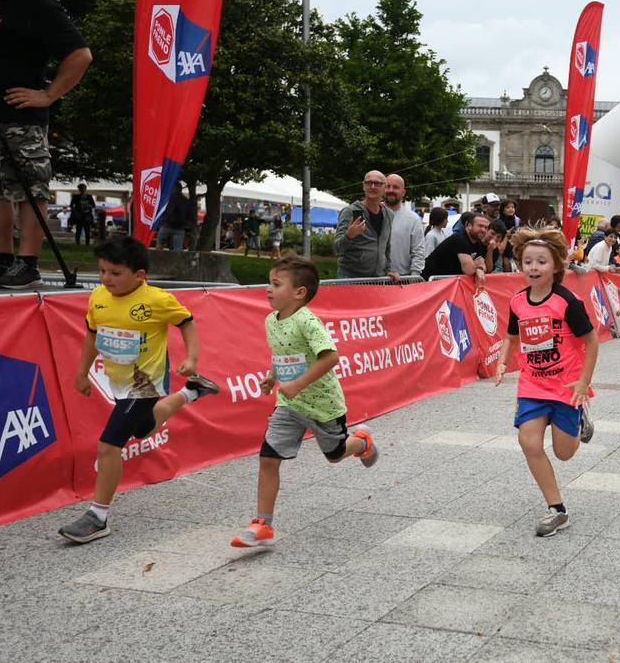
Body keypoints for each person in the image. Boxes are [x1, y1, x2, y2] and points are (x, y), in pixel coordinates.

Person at [60, 237, 220, 543]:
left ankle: (98, 516)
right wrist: (81, 373)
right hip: (117, 382)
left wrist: (191, 357)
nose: (107, 279)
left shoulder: (157, 300)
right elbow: (92, 336)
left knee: (109, 445)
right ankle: (192, 392)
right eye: (102, 271)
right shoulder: (97, 297)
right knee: (144, 429)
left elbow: (186, 321)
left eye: (115, 273)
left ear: (140, 275)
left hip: (144, 384)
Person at [230, 255, 378, 548]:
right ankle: (263, 525)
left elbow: (330, 356)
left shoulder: (308, 321)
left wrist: (297, 384)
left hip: (323, 405)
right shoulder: (271, 320)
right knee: (268, 458)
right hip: (288, 405)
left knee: (335, 456)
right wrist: (274, 377)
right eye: (269, 283)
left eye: (276, 284)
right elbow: (284, 353)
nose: (268, 289)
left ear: (300, 292)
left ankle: (362, 443)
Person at [0, 0, 92, 288]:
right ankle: (1, 258)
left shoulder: (37, 4)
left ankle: (28, 263)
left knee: (32, 186)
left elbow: (80, 55)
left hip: (20, 115)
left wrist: (49, 95)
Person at [494, 226, 598, 537]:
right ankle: (557, 509)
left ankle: (580, 419)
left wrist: (583, 383)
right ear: (520, 265)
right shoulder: (517, 302)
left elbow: (591, 342)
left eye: (541, 262)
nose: (534, 268)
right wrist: (501, 361)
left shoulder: (568, 301)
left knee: (564, 453)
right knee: (528, 442)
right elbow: (511, 337)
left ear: (556, 266)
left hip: (567, 386)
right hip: (532, 385)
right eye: (528, 262)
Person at [335, 170, 394, 279]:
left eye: (377, 183)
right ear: (363, 186)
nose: (372, 186)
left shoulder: (389, 214)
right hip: (350, 277)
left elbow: (386, 247)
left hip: (378, 278)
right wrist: (349, 236)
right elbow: (337, 248)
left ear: (385, 188)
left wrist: (388, 270)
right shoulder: (349, 212)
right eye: (368, 183)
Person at [421, 211, 489, 289]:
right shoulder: (459, 239)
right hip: (429, 284)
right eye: (480, 226)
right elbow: (469, 270)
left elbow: (484, 267)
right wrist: (477, 266)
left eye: (486, 227)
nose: (483, 230)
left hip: (444, 284)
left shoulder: (478, 243)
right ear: (469, 225)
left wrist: (478, 268)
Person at [383, 174, 426, 281]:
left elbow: (418, 252)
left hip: (402, 280)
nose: (391, 190)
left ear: (403, 192)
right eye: (388, 186)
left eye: (396, 187)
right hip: (373, 279)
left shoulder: (413, 219)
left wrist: (413, 278)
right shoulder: (373, 213)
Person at [157, 185, 191, 251]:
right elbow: (189, 215)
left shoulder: (168, 198)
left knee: (160, 242)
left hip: (166, 225)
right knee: (177, 249)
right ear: (181, 190)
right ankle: (176, 260)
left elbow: (162, 210)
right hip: (179, 228)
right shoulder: (185, 200)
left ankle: (158, 258)